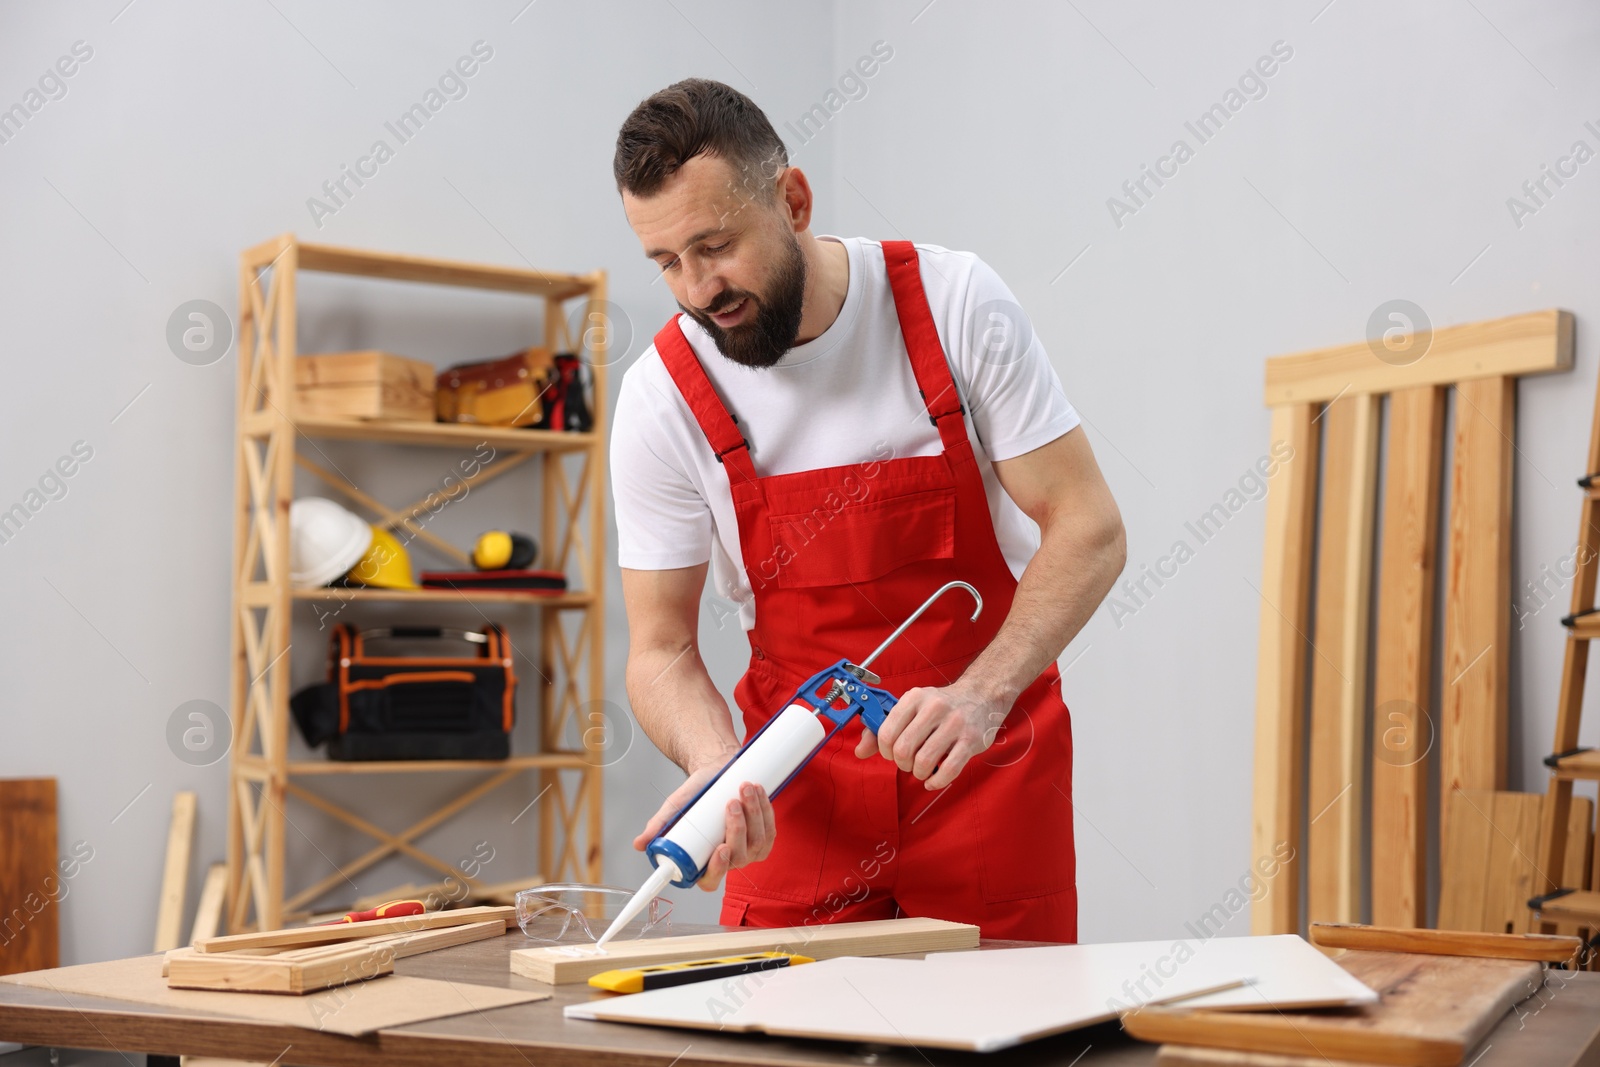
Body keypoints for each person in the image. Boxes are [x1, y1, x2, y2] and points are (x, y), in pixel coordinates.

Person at [607, 78, 1125, 942]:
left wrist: (983, 694)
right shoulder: (662, 395)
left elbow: (1090, 528)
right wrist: (716, 764)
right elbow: (659, 648)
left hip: (982, 771)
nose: (697, 289)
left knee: (1001, 1036)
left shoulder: (955, 304)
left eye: (715, 245)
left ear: (794, 200)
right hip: (794, 803)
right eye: (666, 262)